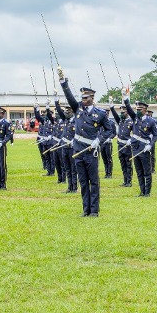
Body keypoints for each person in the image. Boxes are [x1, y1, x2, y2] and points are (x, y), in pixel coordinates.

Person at [59, 70, 115, 217]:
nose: (83, 100)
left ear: (92, 98)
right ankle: (86, 210)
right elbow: (69, 96)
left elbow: (109, 130)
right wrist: (63, 82)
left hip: (91, 150)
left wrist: (99, 140)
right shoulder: (77, 109)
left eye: (86, 97)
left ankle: (94, 210)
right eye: (82, 97)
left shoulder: (100, 113)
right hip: (78, 149)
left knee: (93, 182)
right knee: (83, 181)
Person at [124, 96, 157, 197]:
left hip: (144, 148)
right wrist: (126, 100)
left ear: (145, 110)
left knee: (146, 171)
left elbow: (155, 135)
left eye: (140, 109)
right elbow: (129, 110)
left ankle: (147, 192)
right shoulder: (135, 118)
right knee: (139, 171)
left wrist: (150, 145)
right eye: (137, 109)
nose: (138, 111)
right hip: (135, 148)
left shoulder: (151, 121)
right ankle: (142, 191)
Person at [55, 99, 77, 192]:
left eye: (68, 111)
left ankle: (74, 188)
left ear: (72, 111)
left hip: (72, 148)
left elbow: (80, 133)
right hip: (64, 147)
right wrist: (56, 101)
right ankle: (69, 187)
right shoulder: (66, 121)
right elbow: (59, 111)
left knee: (73, 169)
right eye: (66, 111)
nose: (66, 113)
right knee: (67, 168)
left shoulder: (76, 121)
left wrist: (74, 140)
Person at [110, 104, 134, 187]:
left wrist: (131, 140)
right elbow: (115, 115)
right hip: (120, 145)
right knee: (122, 163)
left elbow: (136, 133)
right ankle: (125, 180)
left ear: (127, 112)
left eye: (123, 112)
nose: (121, 114)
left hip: (127, 146)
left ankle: (129, 181)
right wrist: (112, 108)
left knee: (128, 164)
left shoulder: (131, 121)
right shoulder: (120, 121)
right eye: (121, 112)